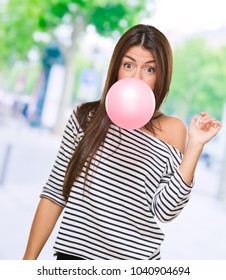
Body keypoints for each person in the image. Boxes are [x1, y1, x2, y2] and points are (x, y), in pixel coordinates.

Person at [23, 24, 222, 260]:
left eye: (150, 69)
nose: (137, 77)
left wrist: (195, 146)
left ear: (161, 76)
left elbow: (166, 211)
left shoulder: (172, 129)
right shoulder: (85, 118)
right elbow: (55, 192)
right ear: (116, 68)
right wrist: (28, 262)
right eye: (129, 65)